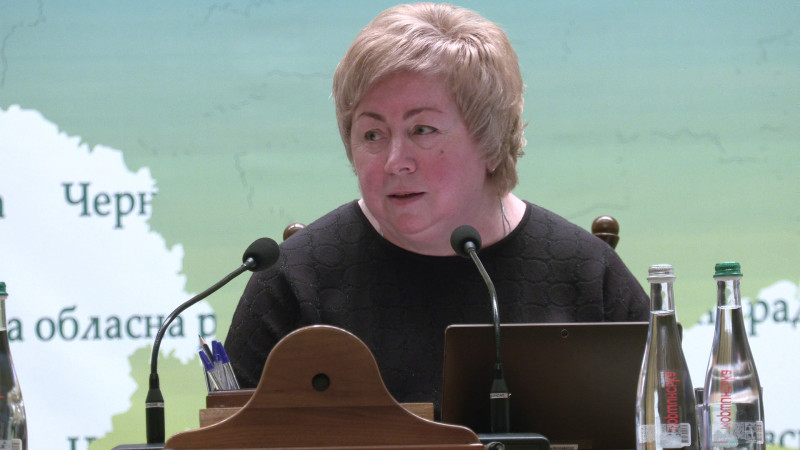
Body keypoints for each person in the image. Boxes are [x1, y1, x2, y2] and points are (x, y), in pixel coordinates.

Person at [225, 2, 648, 417]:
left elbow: (664, 425)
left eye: (422, 129)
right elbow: (227, 433)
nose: (395, 162)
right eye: (372, 134)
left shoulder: (587, 276)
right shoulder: (294, 281)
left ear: (490, 141)